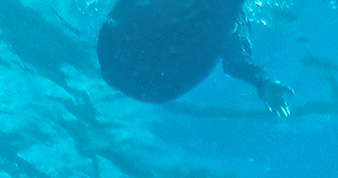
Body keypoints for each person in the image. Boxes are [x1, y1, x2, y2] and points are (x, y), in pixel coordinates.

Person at [97, 0, 291, 116]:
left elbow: (236, 61)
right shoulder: (233, 18)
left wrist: (262, 81)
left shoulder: (235, 19)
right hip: (153, 79)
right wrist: (262, 81)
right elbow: (235, 61)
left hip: (141, 72)